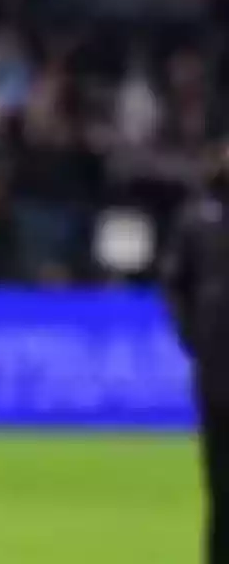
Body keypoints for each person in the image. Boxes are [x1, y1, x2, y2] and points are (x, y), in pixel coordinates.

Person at [162, 144, 229, 564]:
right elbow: (174, 284)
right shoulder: (197, 219)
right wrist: (193, 336)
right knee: (221, 488)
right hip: (217, 371)